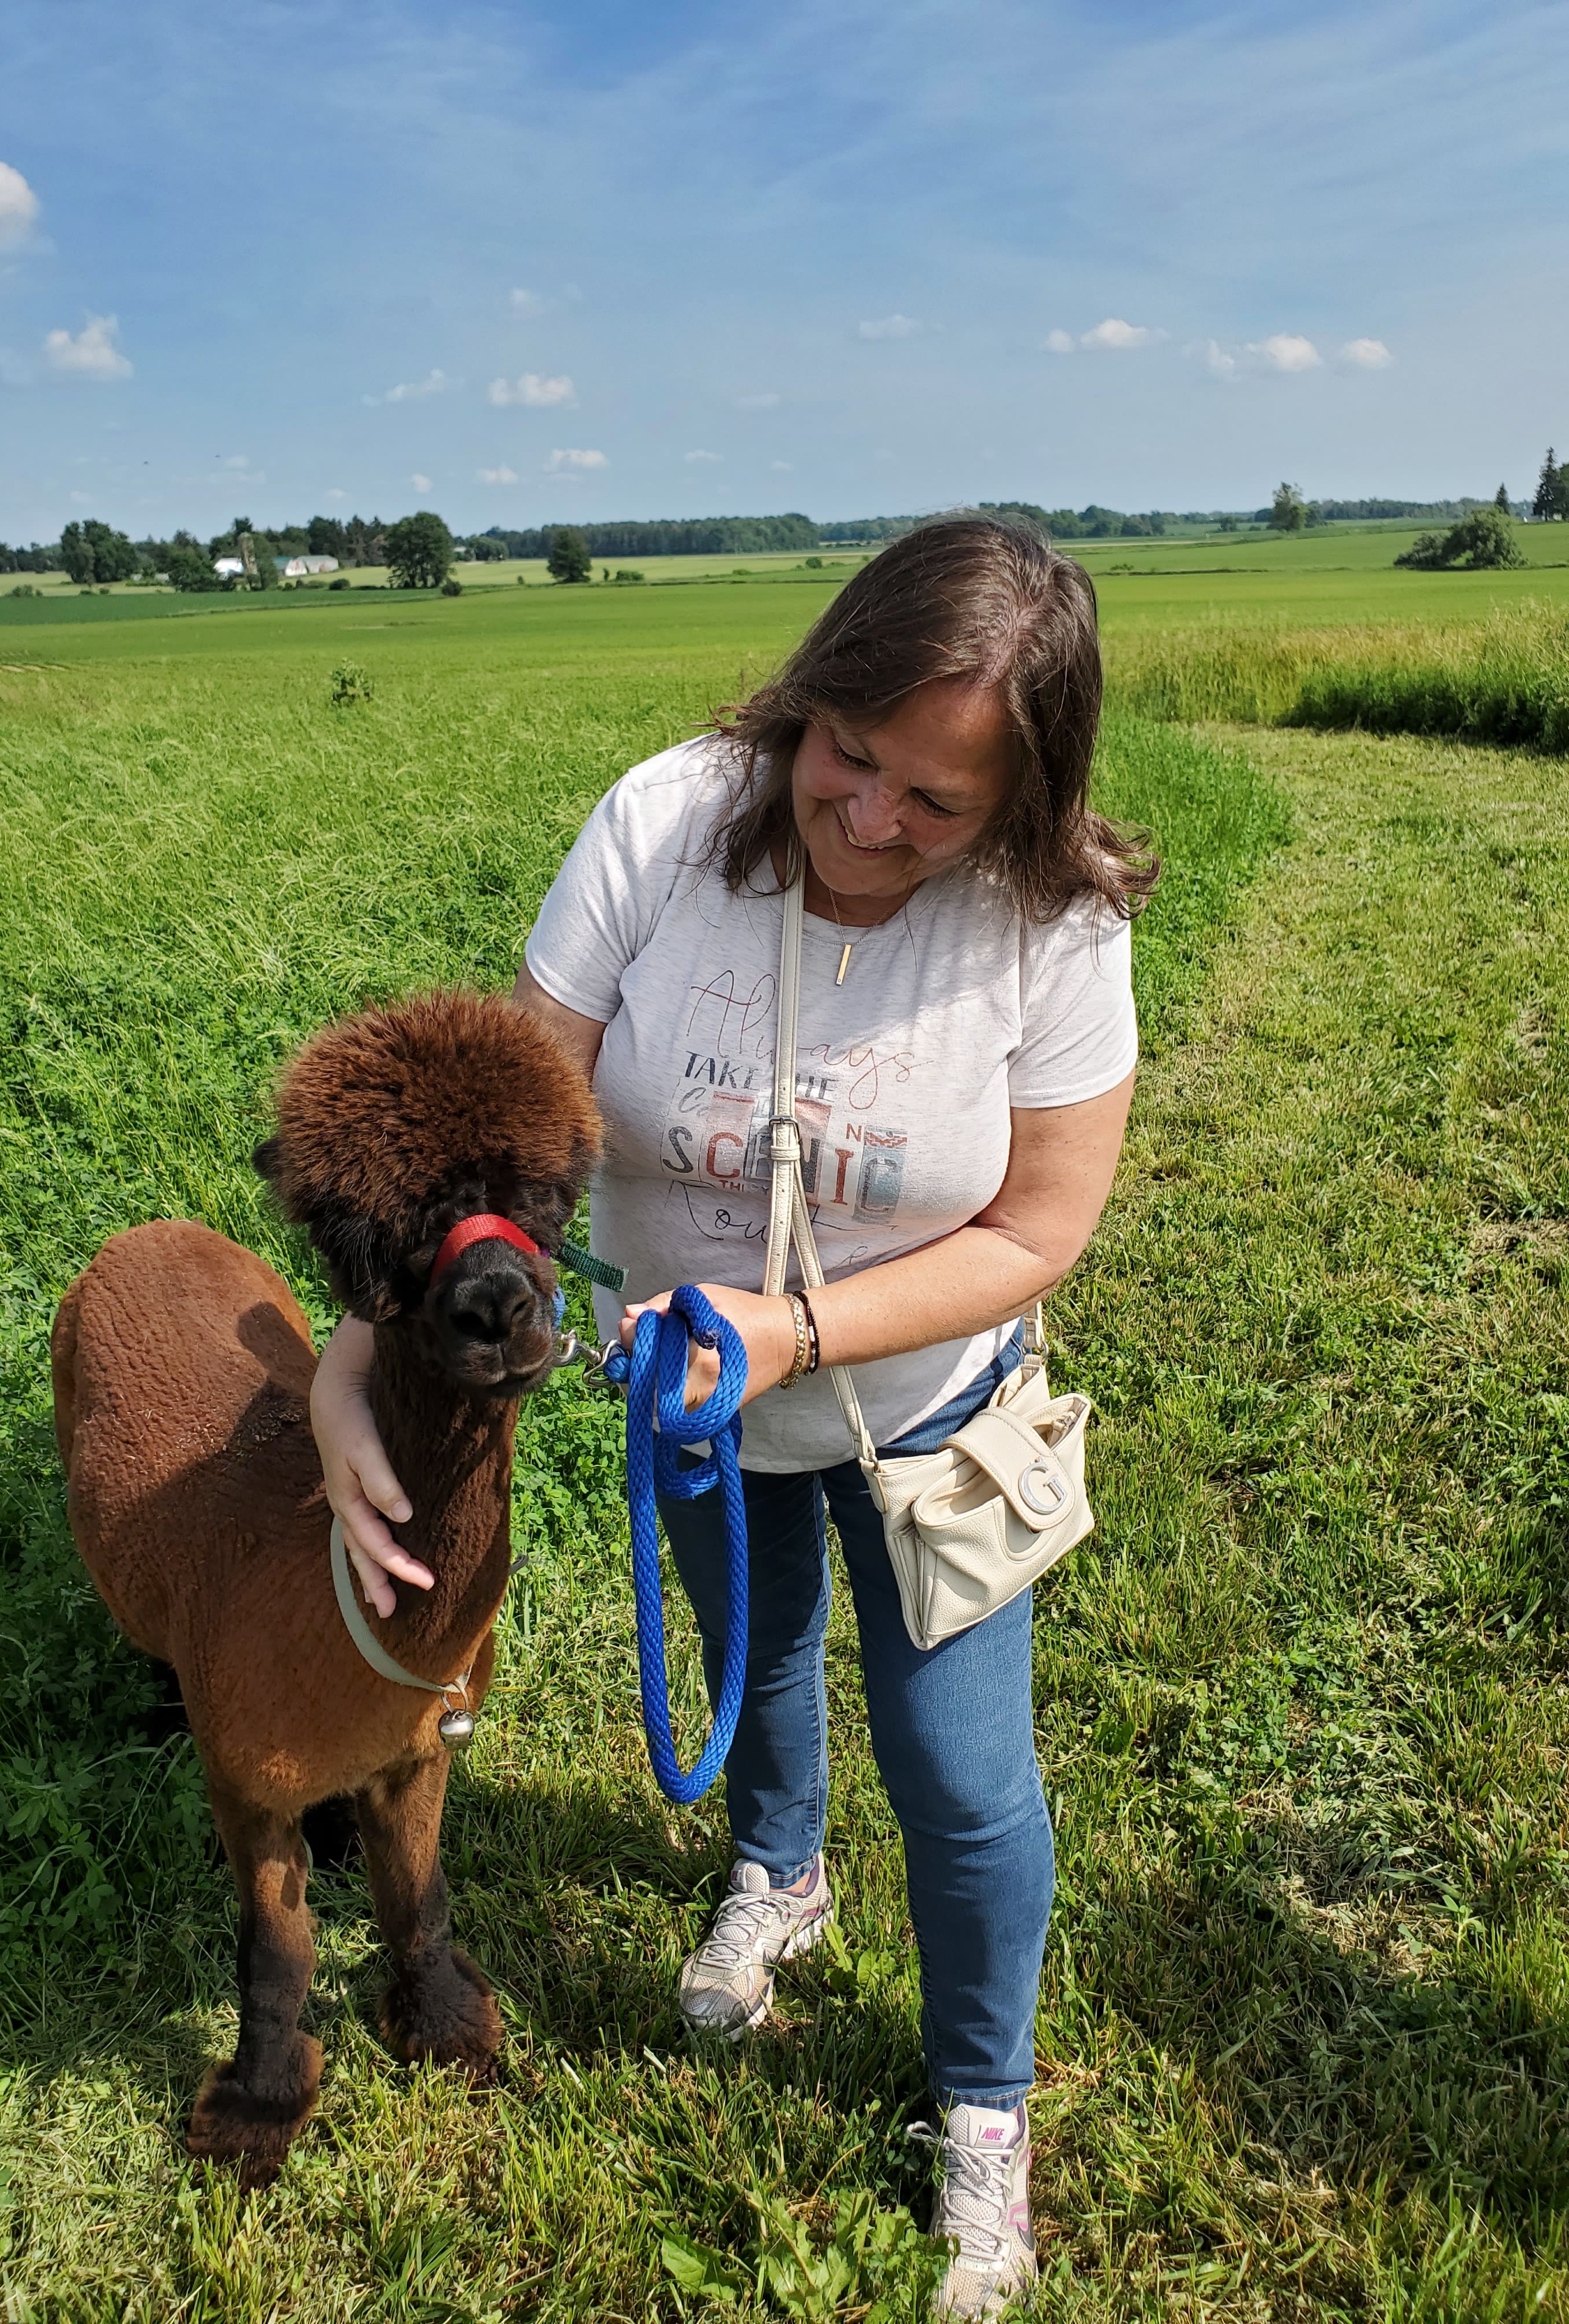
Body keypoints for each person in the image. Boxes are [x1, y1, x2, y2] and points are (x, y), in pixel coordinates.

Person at [310, 518, 1152, 2320]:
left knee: (964, 1774)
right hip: (694, 1401)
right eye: (852, 756)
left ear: (1017, 804)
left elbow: (1042, 1225)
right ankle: (781, 1870)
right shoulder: (667, 822)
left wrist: (804, 1327)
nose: (869, 819)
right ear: (813, 697)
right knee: (753, 1662)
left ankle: (984, 2106)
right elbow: (492, 1124)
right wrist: (339, 1354)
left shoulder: (1054, 917)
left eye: (937, 802)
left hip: (927, 1416)